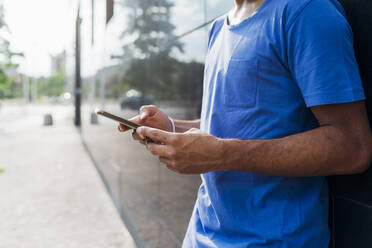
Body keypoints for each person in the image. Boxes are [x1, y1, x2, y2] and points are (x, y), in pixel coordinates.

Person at [118, 0, 372, 247]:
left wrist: (222, 154)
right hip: (200, 234)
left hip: (275, 241)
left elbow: (351, 146)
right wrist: (172, 128)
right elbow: (227, 124)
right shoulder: (218, 27)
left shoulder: (306, 11)